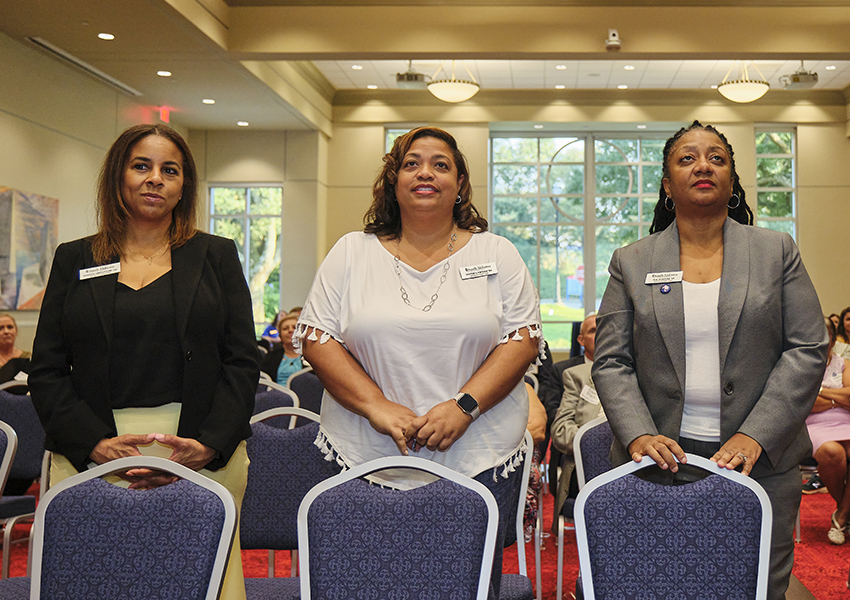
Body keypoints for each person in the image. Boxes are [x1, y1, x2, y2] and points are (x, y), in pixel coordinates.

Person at [296, 126, 541, 598]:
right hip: (363, 449)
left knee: (463, 587)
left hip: (477, 453)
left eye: (440, 164)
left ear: (460, 184)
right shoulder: (352, 251)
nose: (425, 172)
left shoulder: (498, 253)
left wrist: (463, 406)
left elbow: (522, 341)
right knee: (366, 585)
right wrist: (377, 407)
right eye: (411, 163)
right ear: (393, 180)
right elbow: (318, 340)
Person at [591, 120, 828, 600]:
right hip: (658, 463)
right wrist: (638, 432)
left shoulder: (775, 250)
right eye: (687, 158)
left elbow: (807, 347)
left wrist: (754, 433)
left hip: (758, 462)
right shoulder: (631, 260)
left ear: (732, 178)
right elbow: (611, 360)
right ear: (666, 183)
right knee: (658, 582)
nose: (703, 165)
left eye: (717, 157)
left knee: (755, 585)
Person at [28, 124, 259, 600]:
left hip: (198, 452)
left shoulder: (216, 256)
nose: (155, 179)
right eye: (142, 166)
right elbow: (48, 369)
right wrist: (93, 444)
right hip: (92, 452)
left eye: (169, 171)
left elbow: (241, 361)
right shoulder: (75, 257)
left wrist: (207, 446)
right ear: (119, 177)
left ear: (183, 187)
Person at [550, 313, 603, 515]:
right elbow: (559, 430)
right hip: (583, 464)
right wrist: (597, 445)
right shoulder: (573, 375)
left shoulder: (638, 372)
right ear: (580, 340)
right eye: (594, 330)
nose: (601, 334)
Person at [805, 318, 850, 544]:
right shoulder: (803, 364)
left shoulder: (844, 363)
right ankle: (845, 509)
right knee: (834, 453)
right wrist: (838, 397)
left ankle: (841, 516)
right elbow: (805, 403)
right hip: (813, 424)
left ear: (833, 339)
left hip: (846, 420)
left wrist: (821, 392)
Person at [260, 309, 306, 384]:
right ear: (280, 336)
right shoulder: (270, 357)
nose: (290, 330)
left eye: (294, 327)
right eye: (285, 328)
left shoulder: (311, 358)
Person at [0, 313, 31, 386]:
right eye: (0, 328)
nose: (6, 331)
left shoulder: (28, 358)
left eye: (10, 327)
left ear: (16, 331)